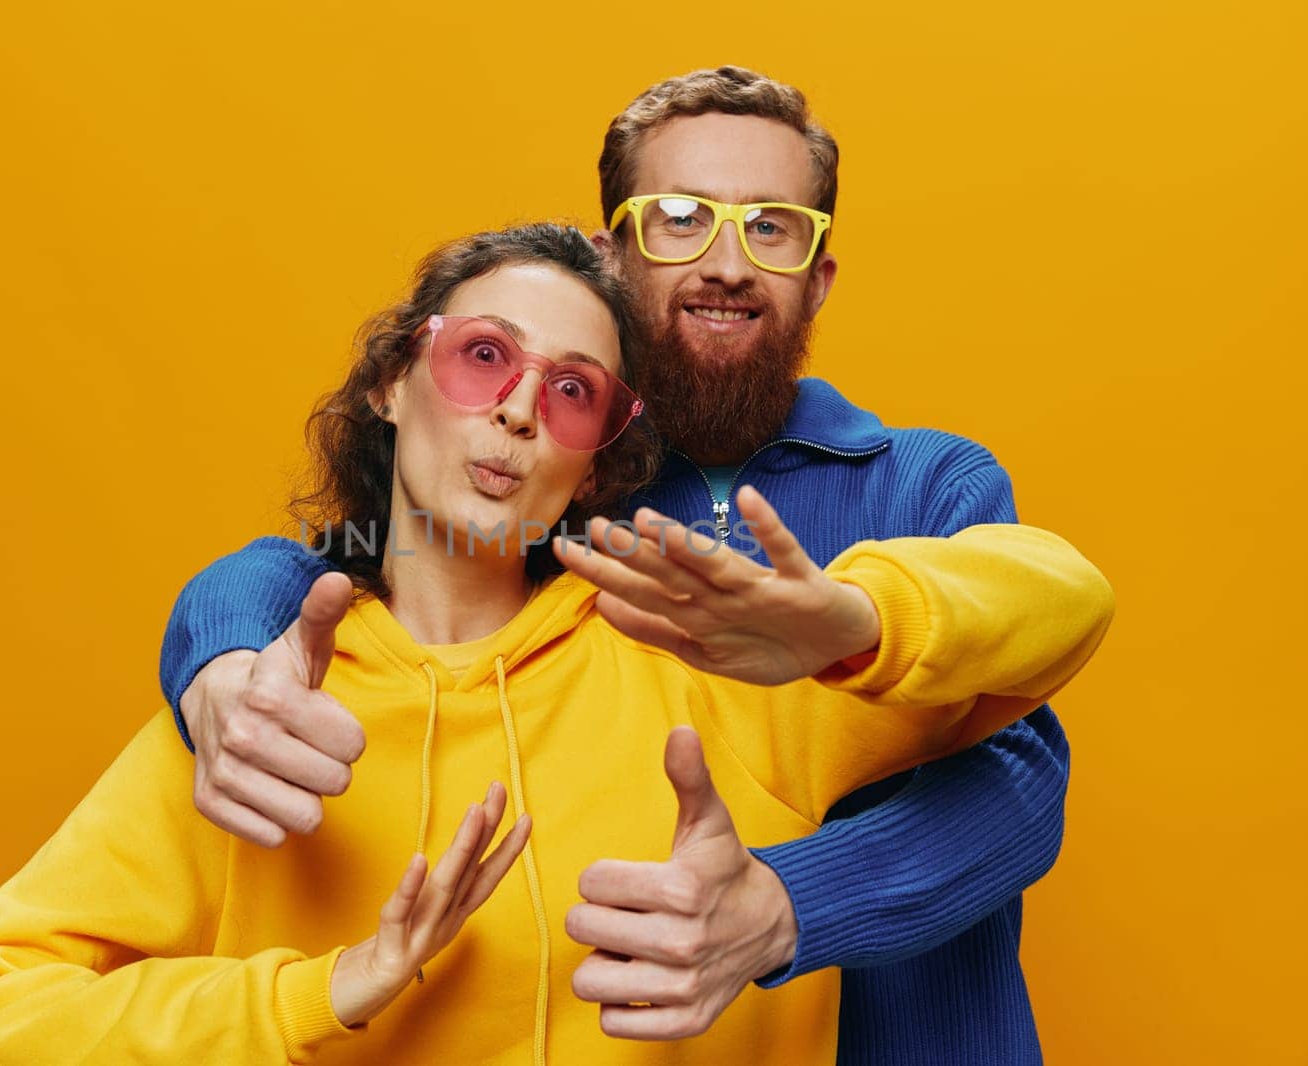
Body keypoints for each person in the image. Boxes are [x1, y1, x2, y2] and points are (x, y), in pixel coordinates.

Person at [0, 224, 1112, 1065]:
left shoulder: (704, 666)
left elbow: (1063, 601)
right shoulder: (261, 719)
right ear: (391, 382)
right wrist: (317, 993)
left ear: (598, 457)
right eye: (484, 359)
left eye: (571, 389)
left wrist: (856, 617)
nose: (521, 406)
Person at [164, 68, 1084, 1061]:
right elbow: (344, 564)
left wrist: (783, 902)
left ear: (816, 275)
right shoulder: (553, 484)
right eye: (678, 218)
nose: (725, 263)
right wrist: (218, 653)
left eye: (770, 227)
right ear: (613, 257)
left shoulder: (926, 483)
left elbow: (1020, 774)